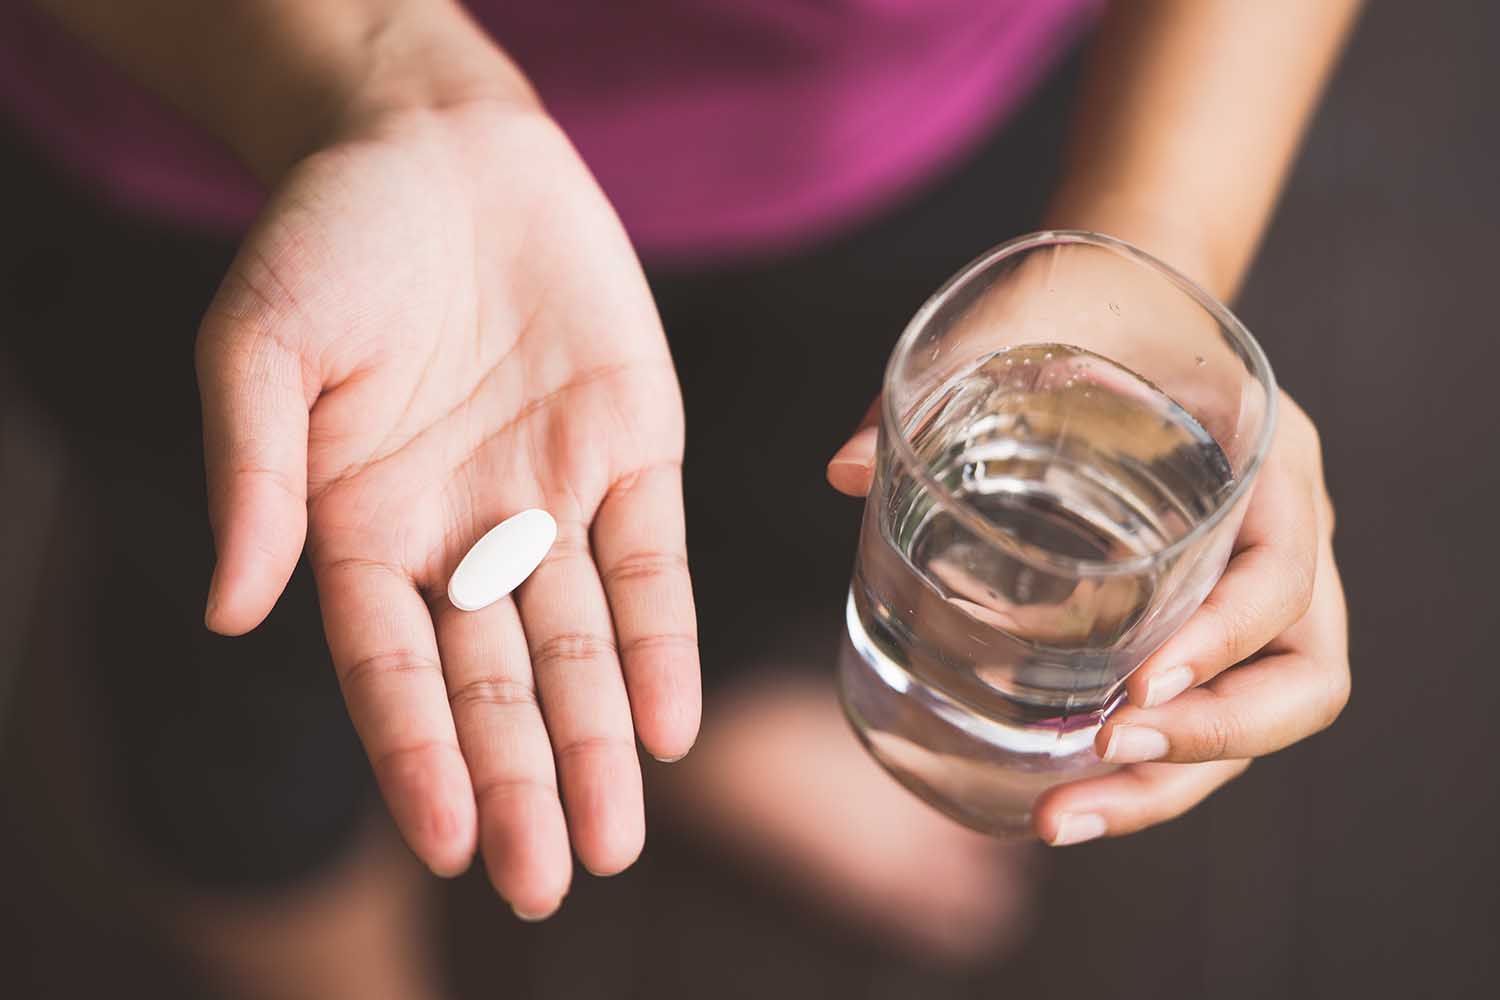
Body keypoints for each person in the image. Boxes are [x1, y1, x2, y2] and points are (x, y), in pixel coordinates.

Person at [0, 0, 1356, 993]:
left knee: (774, 514)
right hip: (239, 123)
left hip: (919, 138)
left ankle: (709, 719)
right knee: (247, 670)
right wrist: (375, 76)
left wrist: (1153, 260)